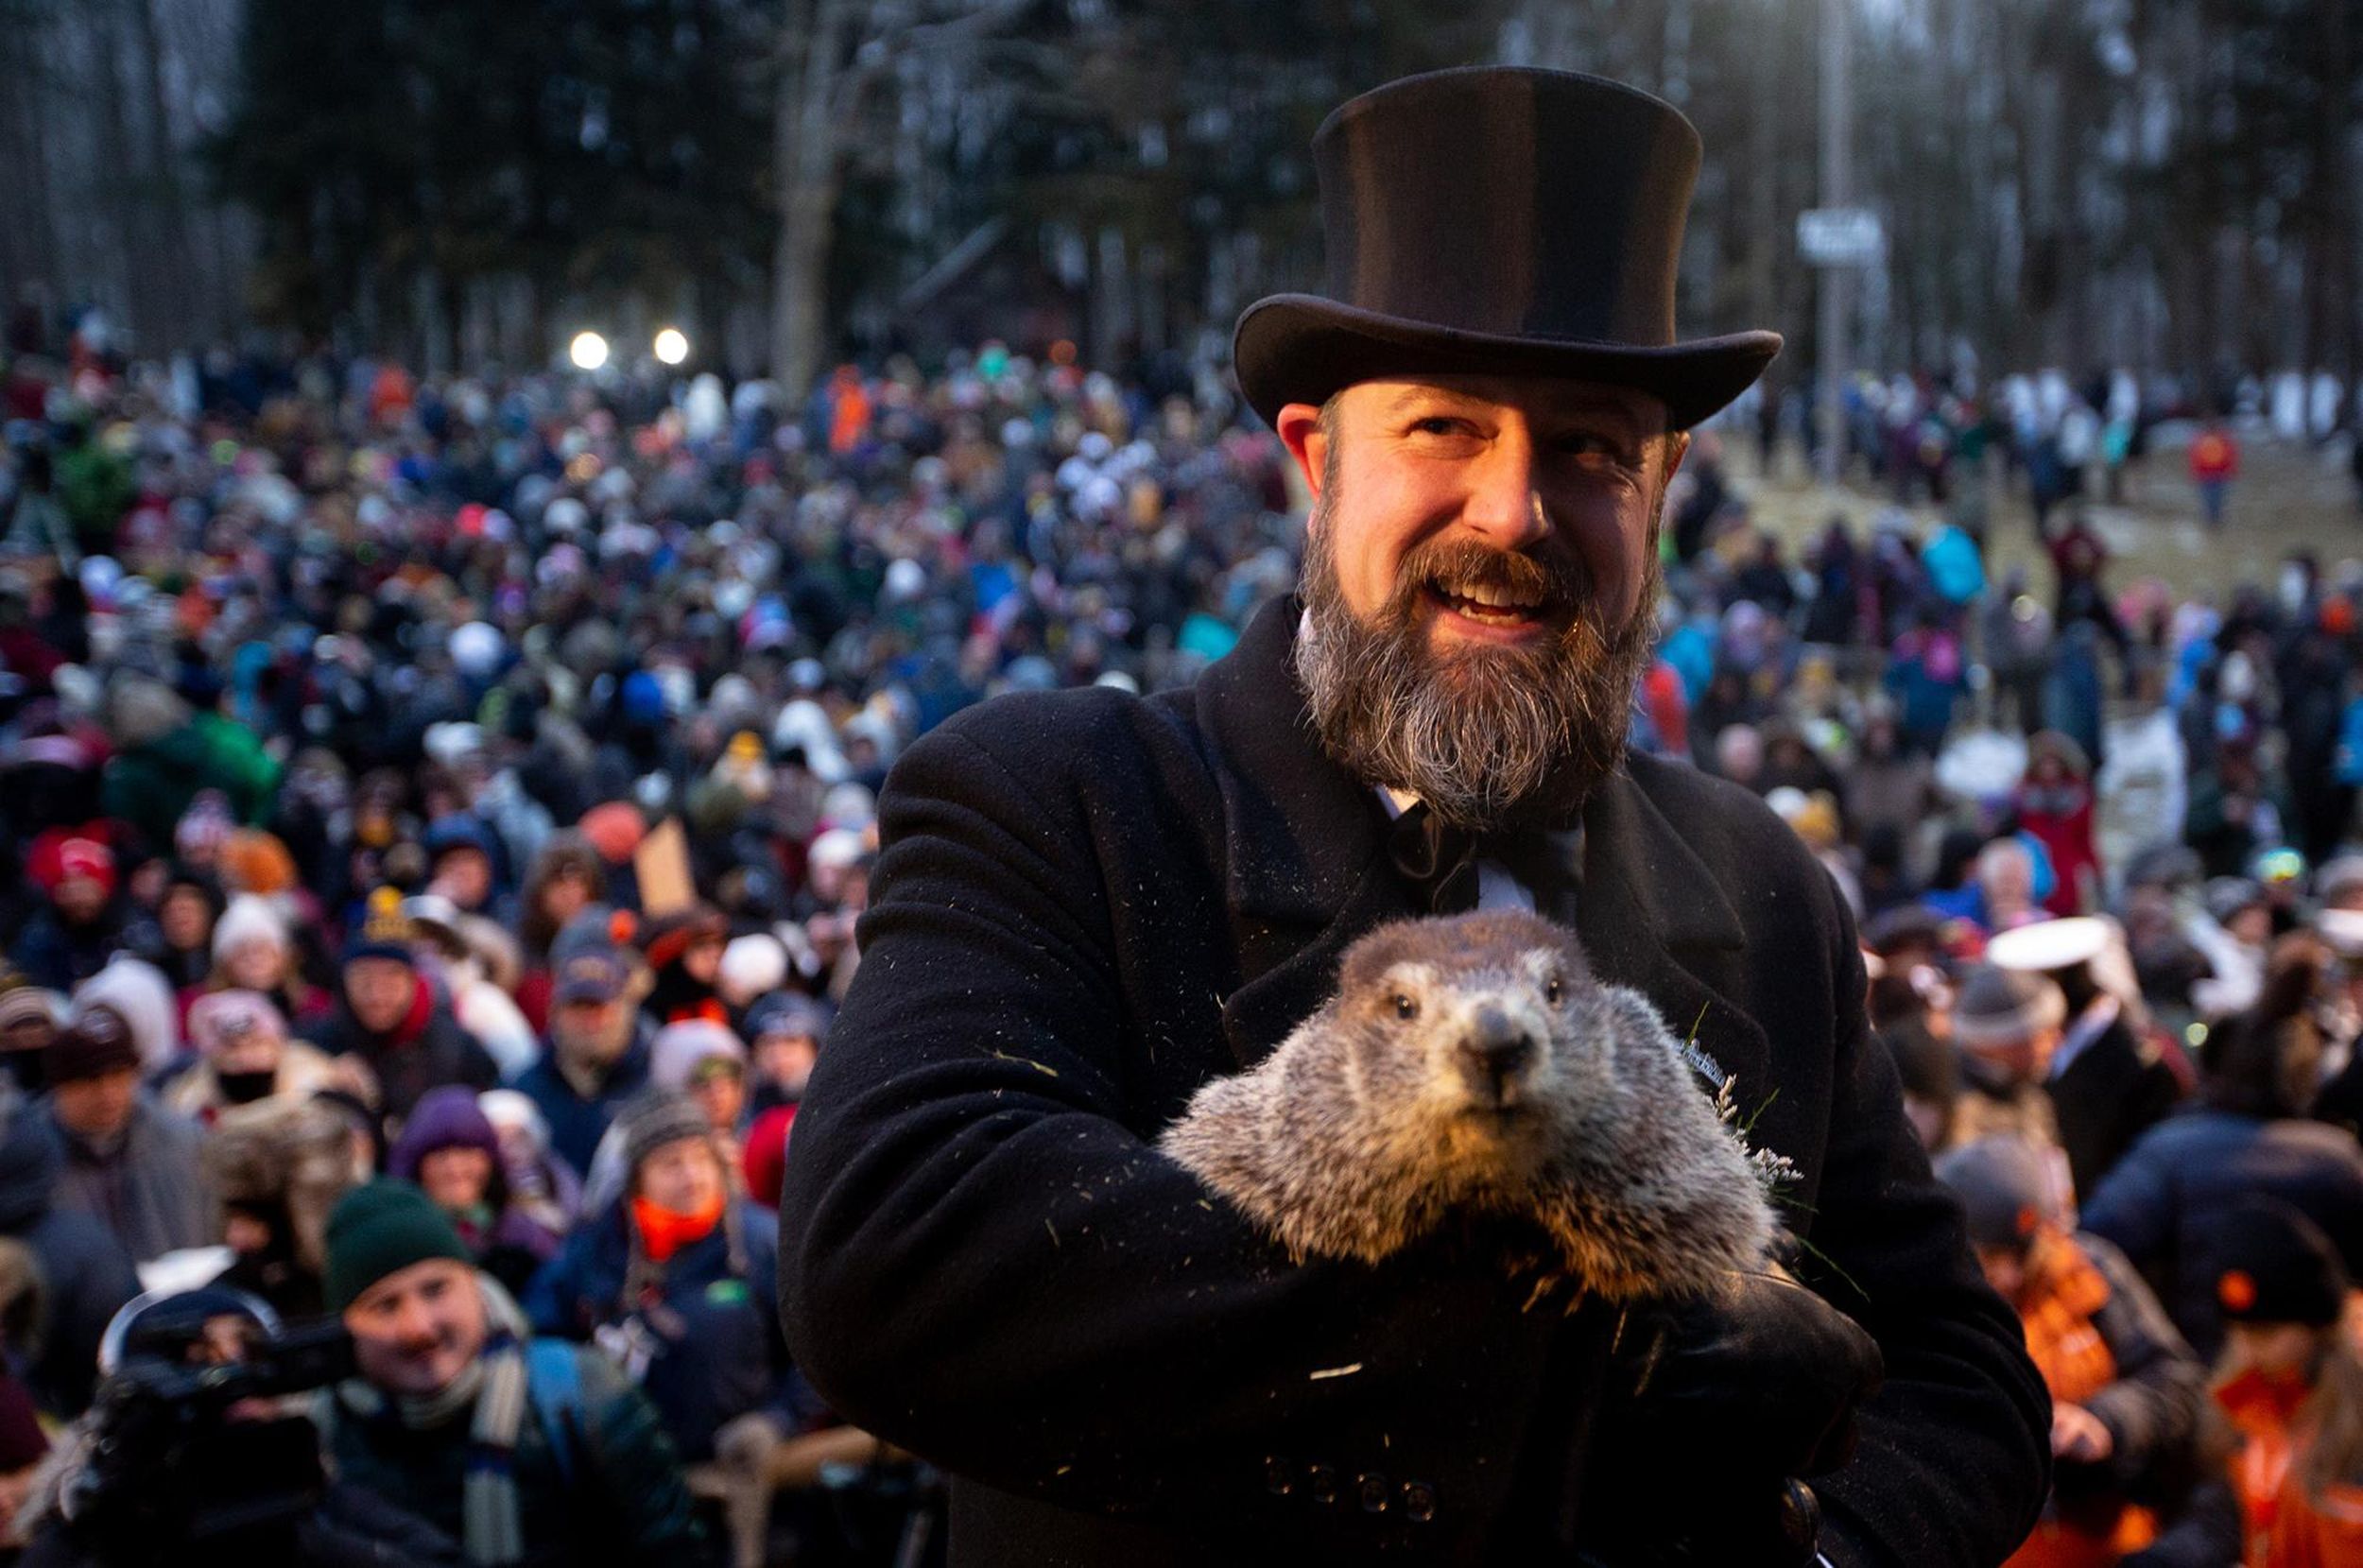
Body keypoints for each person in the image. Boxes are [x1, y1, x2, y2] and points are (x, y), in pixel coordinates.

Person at [779, 67, 2047, 1566]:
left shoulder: (1761, 881)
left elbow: (1967, 1387)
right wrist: (1600, 1370)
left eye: (1589, 447)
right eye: (1446, 426)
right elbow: (901, 1251)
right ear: (1317, 461)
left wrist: (1804, 1540)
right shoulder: (1059, 798)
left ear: (1663, 488)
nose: (1511, 512)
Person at [319, 1180, 704, 1565]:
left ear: (476, 1286)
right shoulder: (325, 1443)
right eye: (384, 1307)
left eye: (436, 1290)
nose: (418, 1327)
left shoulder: (584, 1395)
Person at [2082, 942, 2363, 1360]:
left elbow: (2096, 1244)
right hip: (2312, 1379)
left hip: (2201, 1364)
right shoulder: (2338, 1158)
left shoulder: (2171, 1150)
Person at [1935, 1138, 2202, 1568]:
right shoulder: (1934, 1300)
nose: (2006, 1275)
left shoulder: (2092, 1270)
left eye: (2020, 1254)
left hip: (2109, 1544)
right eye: (1987, 1257)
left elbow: (2177, 1380)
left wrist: (2105, 1420)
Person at [311, 891, 497, 1127]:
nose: (377, 995)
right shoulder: (321, 1041)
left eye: (391, 980)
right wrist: (322, 1077)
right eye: (363, 980)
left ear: (413, 982)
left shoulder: (456, 1048)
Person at [39, 1016, 213, 1265]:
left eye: (119, 1075)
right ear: (59, 1086)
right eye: (90, 1079)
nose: (108, 1093)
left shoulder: (186, 1140)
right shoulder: (30, 1159)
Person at [509, 911, 651, 1178]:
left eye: (601, 1006)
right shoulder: (522, 1093)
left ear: (625, 1009)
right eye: (578, 1006)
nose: (591, 1019)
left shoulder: (656, 1085)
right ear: (554, 1013)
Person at [387, 1087, 561, 1299]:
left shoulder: (525, 1236)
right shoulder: (398, 1241)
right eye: (441, 1155)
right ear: (416, 1166)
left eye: (468, 1152)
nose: (455, 1169)